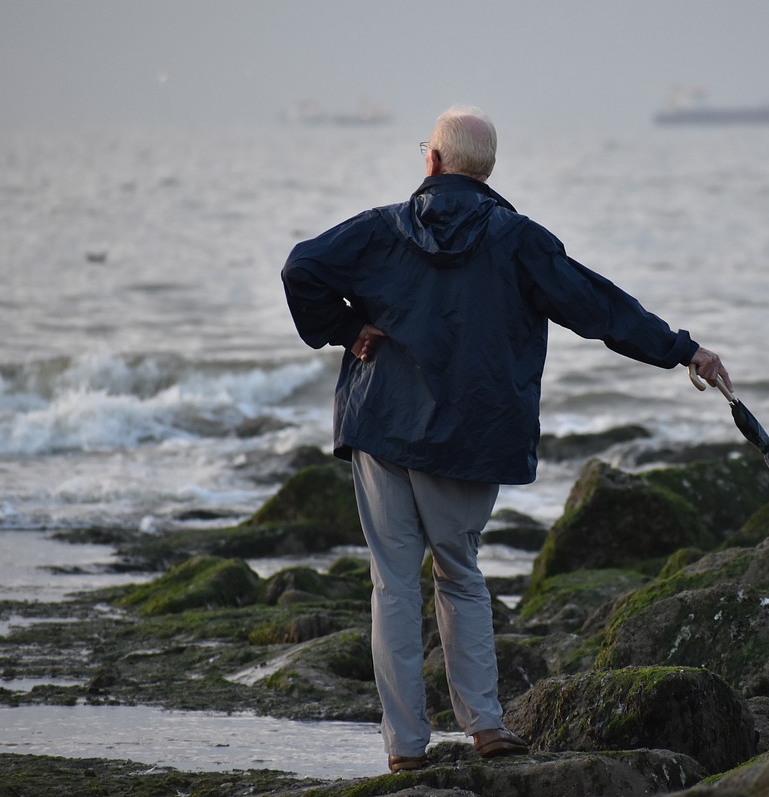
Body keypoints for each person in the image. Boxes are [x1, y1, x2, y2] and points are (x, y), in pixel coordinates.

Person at [281, 106, 731, 773]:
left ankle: (405, 747)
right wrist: (682, 349)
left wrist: (345, 330)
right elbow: (599, 307)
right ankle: (485, 726)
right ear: (486, 170)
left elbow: (300, 267)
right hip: (468, 437)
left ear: (433, 160)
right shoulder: (518, 239)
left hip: (382, 425)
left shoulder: (380, 230)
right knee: (459, 574)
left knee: (394, 586)